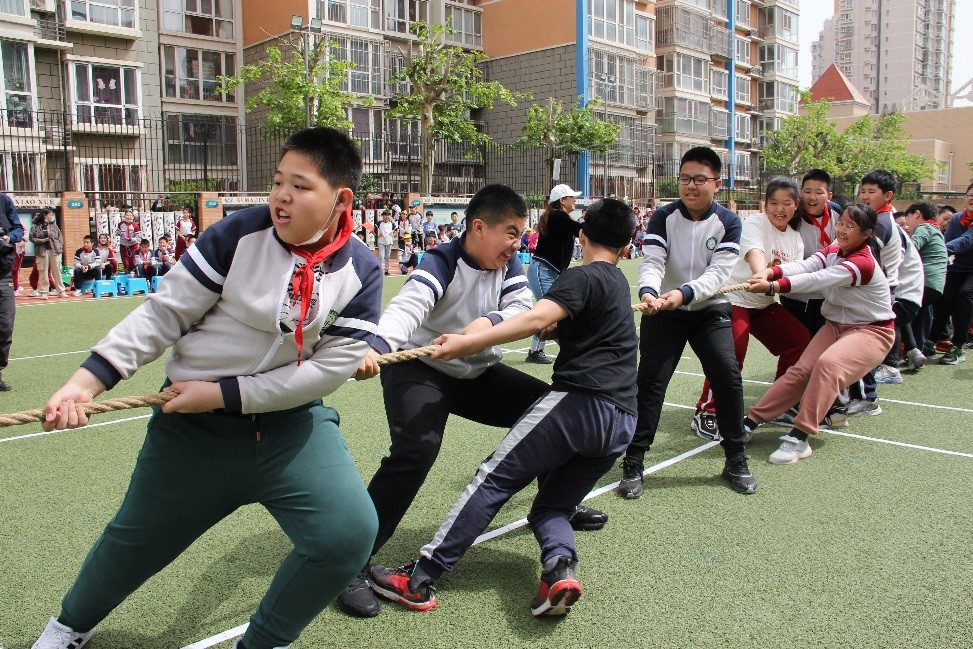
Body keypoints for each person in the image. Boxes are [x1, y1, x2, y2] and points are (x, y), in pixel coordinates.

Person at [29, 127, 382, 649]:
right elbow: (162, 315)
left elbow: (326, 372)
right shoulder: (237, 235)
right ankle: (67, 628)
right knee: (135, 543)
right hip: (194, 433)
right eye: (277, 181)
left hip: (292, 429)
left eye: (300, 186)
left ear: (340, 198)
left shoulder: (362, 270)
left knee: (348, 534)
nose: (281, 196)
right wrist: (85, 383)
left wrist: (223, 394)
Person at [336, 184, 608, 619]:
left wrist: (476, 331)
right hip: (421, 370)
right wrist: (375, 344)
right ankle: (347, 564)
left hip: (475, 371)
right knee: (415, 452)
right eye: (511, 233)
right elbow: (407, 307)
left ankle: (558, 505)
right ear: (479, 228)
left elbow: (521, 309)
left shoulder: (511, 263)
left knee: (552, 414)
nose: (517, 244)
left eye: (520, 235)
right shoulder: (440, 261)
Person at [617, 146, 755, 497]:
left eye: (699, 179)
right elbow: (652, 261)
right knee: (649, 383)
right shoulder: (663, 217)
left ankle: (735, 458)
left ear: (717, 183)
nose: (690, 186)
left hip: (710, 310)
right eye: (684, 179)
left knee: (727, 376)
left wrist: (682, 294)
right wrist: (649, 292)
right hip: (664, 311)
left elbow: (716, 276)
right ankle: (634, 461)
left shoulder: (729, 222)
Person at [743, 203, 895, 464]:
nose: (843, 230)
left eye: (851, 226)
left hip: (873, 331)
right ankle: (750, 421)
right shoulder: (836, 249)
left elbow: (818, 279)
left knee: (828, 365)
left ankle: (800, 437)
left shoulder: (862, 263)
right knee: (801, 370)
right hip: (835, 326)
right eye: (841, 223)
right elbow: (807, 266)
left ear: (867, 233)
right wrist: (771, 270)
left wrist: (773, 286)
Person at [690, 178, 810, 442]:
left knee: (799, 341)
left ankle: (780, 404)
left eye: (787, 203)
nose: (780, 209)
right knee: (732, 352)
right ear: (765, 204)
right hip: (736, 299)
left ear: (796, 206)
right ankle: (707, 412)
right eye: (774, 203)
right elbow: (754, 252)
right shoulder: (755, 223)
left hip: (764, 302)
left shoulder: (795, 238)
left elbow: (794, 273)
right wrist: (761, 275)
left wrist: (771, 285)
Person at [848, 170, 904, 411]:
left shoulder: (879, 223)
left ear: (888, 195)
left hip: (874, 294)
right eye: (863, 191)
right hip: (877, 291)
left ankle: (866, 398)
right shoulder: (880, 219)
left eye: (872, 192)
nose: (865, 196)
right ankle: (862, 395)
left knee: (861, 344)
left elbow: (864, 257)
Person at [525, 184, 583, 364]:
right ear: (562, 201)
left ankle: (537, 351)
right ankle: (570, 351)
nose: (575, 200)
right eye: (571, 197)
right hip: (543, 270)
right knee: (551, 314)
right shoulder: (557, 216)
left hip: (548, 271)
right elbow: (579, 228)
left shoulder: (558, 217)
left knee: (550, 313)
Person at [928, 183, 973, 365]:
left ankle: (958, 346)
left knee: (965, 295)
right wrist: (941, 250)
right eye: (970, 195)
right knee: (943, 296)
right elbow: (949, 240)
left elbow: (966, 241)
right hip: (957, 267)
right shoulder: (956, 219)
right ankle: (930, 341)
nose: (971, 199)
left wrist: (937, 249)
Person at [902, 201, 947, 365]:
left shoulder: (924, 228)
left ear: (917, 214)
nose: (908, 226)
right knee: (921, 313)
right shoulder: (936, 230)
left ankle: (908, 352)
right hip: (936, 284)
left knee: (901, 309)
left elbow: (911, 248)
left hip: (924, 281)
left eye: (908, 220)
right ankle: (917, 351)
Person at [0, 192, 24, 390]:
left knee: (5, 325)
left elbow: (18, 230)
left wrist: (8, 237)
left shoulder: (4, 200)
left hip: (3, 273)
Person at [28, 209, 68, 299]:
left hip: (55, 251)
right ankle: (44, 292)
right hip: (42, 251)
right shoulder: (36, 226)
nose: (52, 216)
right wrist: (42, 240)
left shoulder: (54, 225)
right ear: (45, 215)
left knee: (57, 271)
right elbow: (31, 238)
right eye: (50, 215)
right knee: (43, 272)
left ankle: (61, 290)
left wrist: (60, 247)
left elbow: (60, 237)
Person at [117, 209, 140, 274]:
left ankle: (134, 275)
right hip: (123, 245)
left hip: (133, 245)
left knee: (133, 262)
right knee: (125, 263)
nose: (128, 217)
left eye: (130, 215)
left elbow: (138, 238)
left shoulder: (135, 226)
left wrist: (131, 239)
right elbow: (117, 233)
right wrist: (119, 233)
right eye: (127, 215)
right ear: (124, 216)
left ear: (133, 217)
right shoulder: (120, 224)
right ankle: (127, 274)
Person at [376, 210, 396, 275]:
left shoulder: (392, 224)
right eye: (385, 215)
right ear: (383, 216)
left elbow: (397, 230)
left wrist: (392, 236)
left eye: (388, 215)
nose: (387, 216)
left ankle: (386, 270)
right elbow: (372, 229)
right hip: (381, 241)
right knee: (381, 256)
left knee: (387, 257)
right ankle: (380, 270)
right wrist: (376, 235)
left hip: (389, 241)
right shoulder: (379, 223)